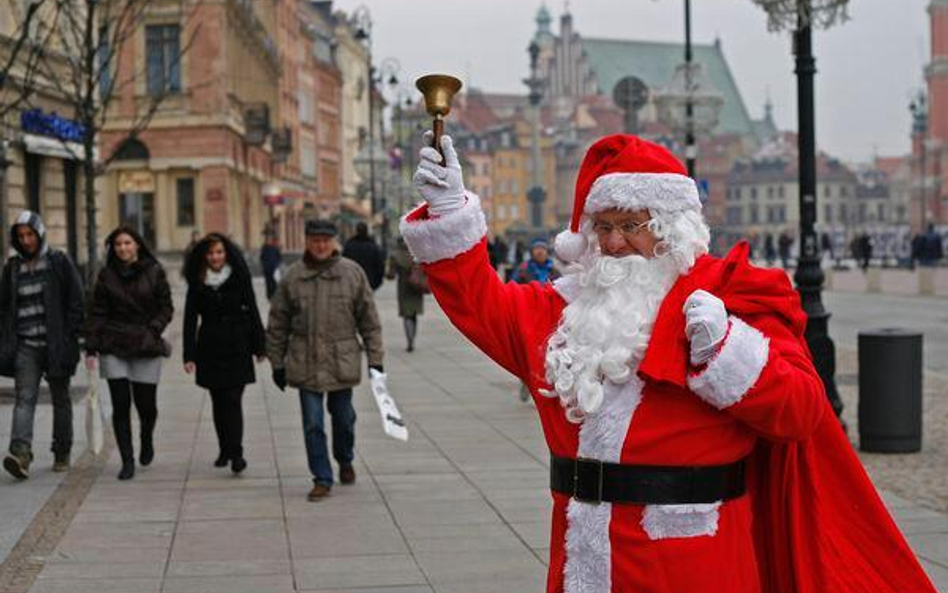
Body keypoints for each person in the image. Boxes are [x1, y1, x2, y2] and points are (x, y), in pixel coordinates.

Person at [401, 133, 937, 593]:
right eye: (602, 227)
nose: (613, 244)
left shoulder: (733, 300)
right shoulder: (564, 313)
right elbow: (480, 302)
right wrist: (452, 214)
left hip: (695, 558)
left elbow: (801, 411)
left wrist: (727, 351)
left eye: (631, 224)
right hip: (584, 558)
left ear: (670, 226)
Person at [266, 219, 384, 501]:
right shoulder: (293, 276)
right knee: (313, 423)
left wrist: (376, 360)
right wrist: (277, 364)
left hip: (341, 358)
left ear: (334, 243)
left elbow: (369, 321)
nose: (320, 245)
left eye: (325, 240)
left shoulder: (352, 273)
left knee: (344, 418)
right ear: (307, 242)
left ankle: (344, 458)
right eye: (315, 240)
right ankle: (321, 477)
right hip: (304, 360)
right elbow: (277, 322)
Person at [84, 227, 173, 480]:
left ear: (137, 245)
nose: (122, 248)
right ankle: (127, 460)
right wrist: (91, 345)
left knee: (147, 406)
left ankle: (146, 437)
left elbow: (166, 307)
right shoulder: (106, 275)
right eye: (118, 244)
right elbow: (97, 312)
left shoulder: (154, 271)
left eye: (127, 243)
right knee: (121, 405)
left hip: (146, 344)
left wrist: (153, 330)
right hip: (114, 344)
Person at [0, 212, 83, 479]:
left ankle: (62, 451)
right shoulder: (12, 268)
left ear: (40, 233)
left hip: (56, 344)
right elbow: (4, 308)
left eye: (30, 234)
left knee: (61, 398)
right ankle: (20, 454)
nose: (26, 240)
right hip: (26, 345)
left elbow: (76, 302)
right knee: (24, 400)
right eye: (21, 236)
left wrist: (70, 338)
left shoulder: (59, 262)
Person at [183, 233, 266, 474]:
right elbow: (190, 320)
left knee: (232, 399)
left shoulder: (239, 276)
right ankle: (224, 448)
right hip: (209, 347)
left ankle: (237, 453)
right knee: (218, 401)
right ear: (203, 256)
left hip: (237, 344)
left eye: (219, 252)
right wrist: (189, 355)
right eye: (210, 253)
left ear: (226, 253)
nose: (215, 257)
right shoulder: (197, 281)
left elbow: (253, 309)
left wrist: (260, 345)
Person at [387, 236, 426, 352]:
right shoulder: (416, 254)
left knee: (406, 315)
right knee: (414, 314)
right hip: (417, 287)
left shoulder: (395, 256)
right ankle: (412, 339)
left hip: (403, 288)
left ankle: (410, 341)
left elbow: (391, 275)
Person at [342, 222, 385, 291]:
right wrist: (376, 283)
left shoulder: (349, 246)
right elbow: (380, 266)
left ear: (356, 231)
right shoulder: (373, 247)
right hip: (369, 282)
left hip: (352, 281)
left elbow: (343, 265)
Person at [260, 233, 282, 299]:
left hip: (274, 268)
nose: (269, 242)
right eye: (268, 240)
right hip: (267, 269)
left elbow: (279, 258)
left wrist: (277, 265)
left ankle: (274, 294)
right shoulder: (264, 248)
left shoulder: (275, 248)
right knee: (268, 282)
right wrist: (264, 265)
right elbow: (262, 257)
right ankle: (269, 295)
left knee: (274, 282)